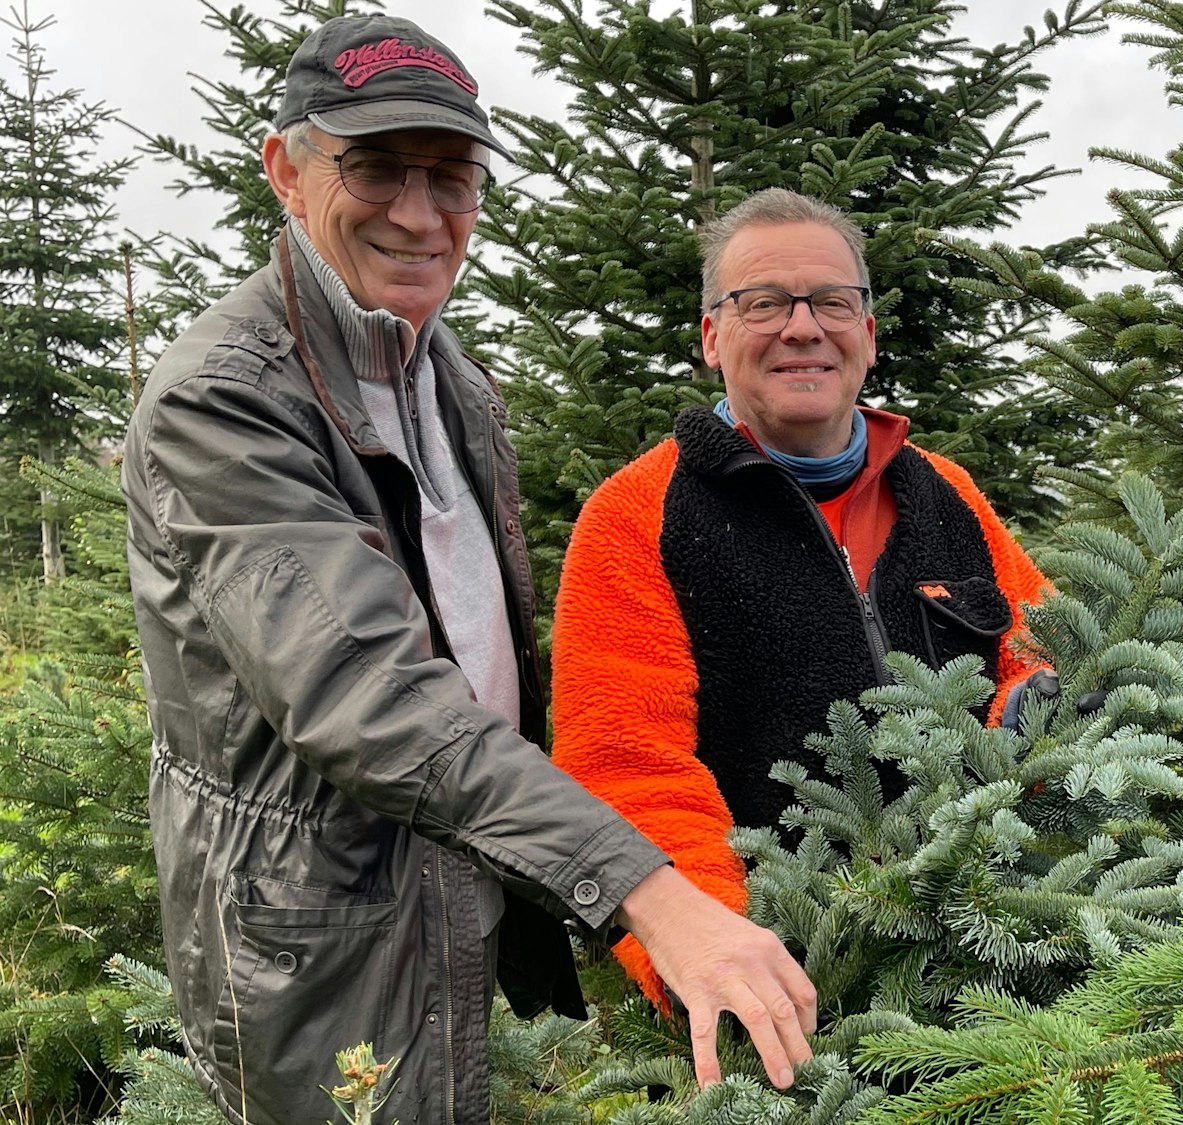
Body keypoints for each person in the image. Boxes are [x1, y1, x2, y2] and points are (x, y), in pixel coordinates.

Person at [123, 17, 811, 1123]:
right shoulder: (226, 399)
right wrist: (646, 891)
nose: (417, 211)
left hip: (475, 883)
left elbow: (486, 660)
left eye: (450, 177)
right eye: (376, 167)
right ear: (285, 171)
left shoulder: (453, 383)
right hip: (322, 935)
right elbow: (367, 694)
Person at [550, 188, 1049, 1006]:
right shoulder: (636, 516)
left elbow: (1042, 648)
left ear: (868, 333)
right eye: (764, 303)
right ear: (713, 336)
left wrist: (1033, 733)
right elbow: (626, 768)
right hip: (780, 990)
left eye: (831, 302)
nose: (802, 327)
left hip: (987, 964)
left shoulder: (944, 492)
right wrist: (719, 963)